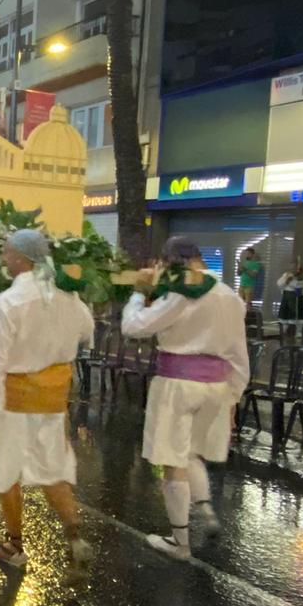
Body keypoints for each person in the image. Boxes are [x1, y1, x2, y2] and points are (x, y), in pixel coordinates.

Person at [0, 229, 95, 568]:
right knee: (53, 469)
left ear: (22, 259)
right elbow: (87, 332)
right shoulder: (69, 298)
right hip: (54, 401)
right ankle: (74, 536)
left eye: (7, 254)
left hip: (16, 400)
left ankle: (13, 546)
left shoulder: (8, 303)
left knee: (7, 471)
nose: (3, 260)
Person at [121, 237, 249, 560]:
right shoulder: (230, 297)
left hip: (177, 385)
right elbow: (238, 354)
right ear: (199, 259)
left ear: (168, 262)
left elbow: (134, 327)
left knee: (172, 461)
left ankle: (181, 544)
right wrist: (233, 396)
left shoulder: (178, 295)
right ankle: (205, 510)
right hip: (217, 387)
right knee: (192, 451)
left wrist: (139, 293)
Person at [277, 260, 303, 339]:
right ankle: (284, 330)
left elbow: (299, 285)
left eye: (295, 266)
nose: (293, 268)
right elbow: (279, 283)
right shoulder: (286, 274)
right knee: (285, 314)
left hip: (297, 296)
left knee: (298, 314)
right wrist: (287, 280)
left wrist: (291, 281)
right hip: (287, 296)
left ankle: (299, 331)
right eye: (291, 266)